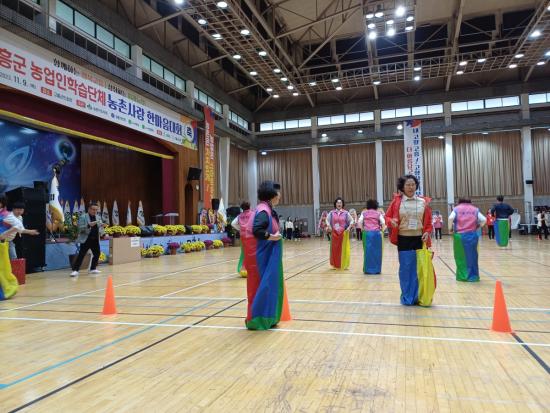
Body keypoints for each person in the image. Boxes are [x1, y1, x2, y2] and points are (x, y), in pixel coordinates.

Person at [243, 181, 287, 330]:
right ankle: (258, 319)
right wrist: (272, 237)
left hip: (266, 257)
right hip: (260, 258)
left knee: (267, 287)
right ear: (272, 194)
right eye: (278, 192)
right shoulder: (263, 211)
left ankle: (268, 317)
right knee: (262, 287)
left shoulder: (267, 209)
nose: (280, 195)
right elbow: (257, 230)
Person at [385, 175, 435, 306]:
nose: (411, 187)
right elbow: (387, 217)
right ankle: (408, 297)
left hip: (419, 239)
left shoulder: (423, 202)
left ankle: (419, 296)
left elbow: (428, 223)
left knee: (420, 269)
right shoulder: (396, 202)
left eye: (413, 184)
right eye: (408, 184)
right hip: (404, 239)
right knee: (406, 270)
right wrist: (391, 221)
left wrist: (427, 232)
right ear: (402, 187)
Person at [448, 198, 486, 282]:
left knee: (460, 257)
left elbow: (450, 218)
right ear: (470, 202)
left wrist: (450, 229)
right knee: (473, 256)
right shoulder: (475, 209)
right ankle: (473, 276)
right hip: (472, 236)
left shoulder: (456, 209)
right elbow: (484, 219)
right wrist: (479, 226)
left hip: (460, 236)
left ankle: (463, 276)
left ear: (459, 202)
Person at [70, 203, 104, 277]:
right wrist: (88, 225)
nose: (95, 211)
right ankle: (75, 270)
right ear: (89, 209)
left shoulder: (98, 217)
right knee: (81, 255)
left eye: (96, 210)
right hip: (86, 239)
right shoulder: (83, 217)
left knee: (97, 254)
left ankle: (93, 269)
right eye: (93, 209)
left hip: (95, 239)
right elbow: (79, 228)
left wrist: (102, 228)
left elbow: (100, 227)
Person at [358, 199, 385, 274]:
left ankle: (368, 270)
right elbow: (383, 223)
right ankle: (376, 270)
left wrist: (362, 229)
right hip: (377, 234)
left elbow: (359, 222)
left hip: (367, 234)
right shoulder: (378, 213)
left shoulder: (364, 213)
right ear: (376, 205)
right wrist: (381, 231)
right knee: (377, 252)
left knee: (367, 252)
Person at [326, 197, 352, 270]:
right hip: (334, 234)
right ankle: (335, 265)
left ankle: (343, 264)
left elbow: (352, 221)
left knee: (343, 250)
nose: (339, 204)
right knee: (335, 250)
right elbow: (327, 220)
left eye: (340, 202)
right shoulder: (331, 213)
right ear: (335, 204)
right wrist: (328, 226)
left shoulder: (346, 213)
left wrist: (349, 228)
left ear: (342, 204)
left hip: (343, 234)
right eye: (337, 202)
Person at [231, 202, 253, 277]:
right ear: (249, 206)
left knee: (244, 252)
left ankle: (243, 269)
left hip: (243, 236)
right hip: (251, 236)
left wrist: (240, 228)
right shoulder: (253, 214)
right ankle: (248, 269)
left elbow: (233, 223)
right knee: (251, 253)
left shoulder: (239, 216)